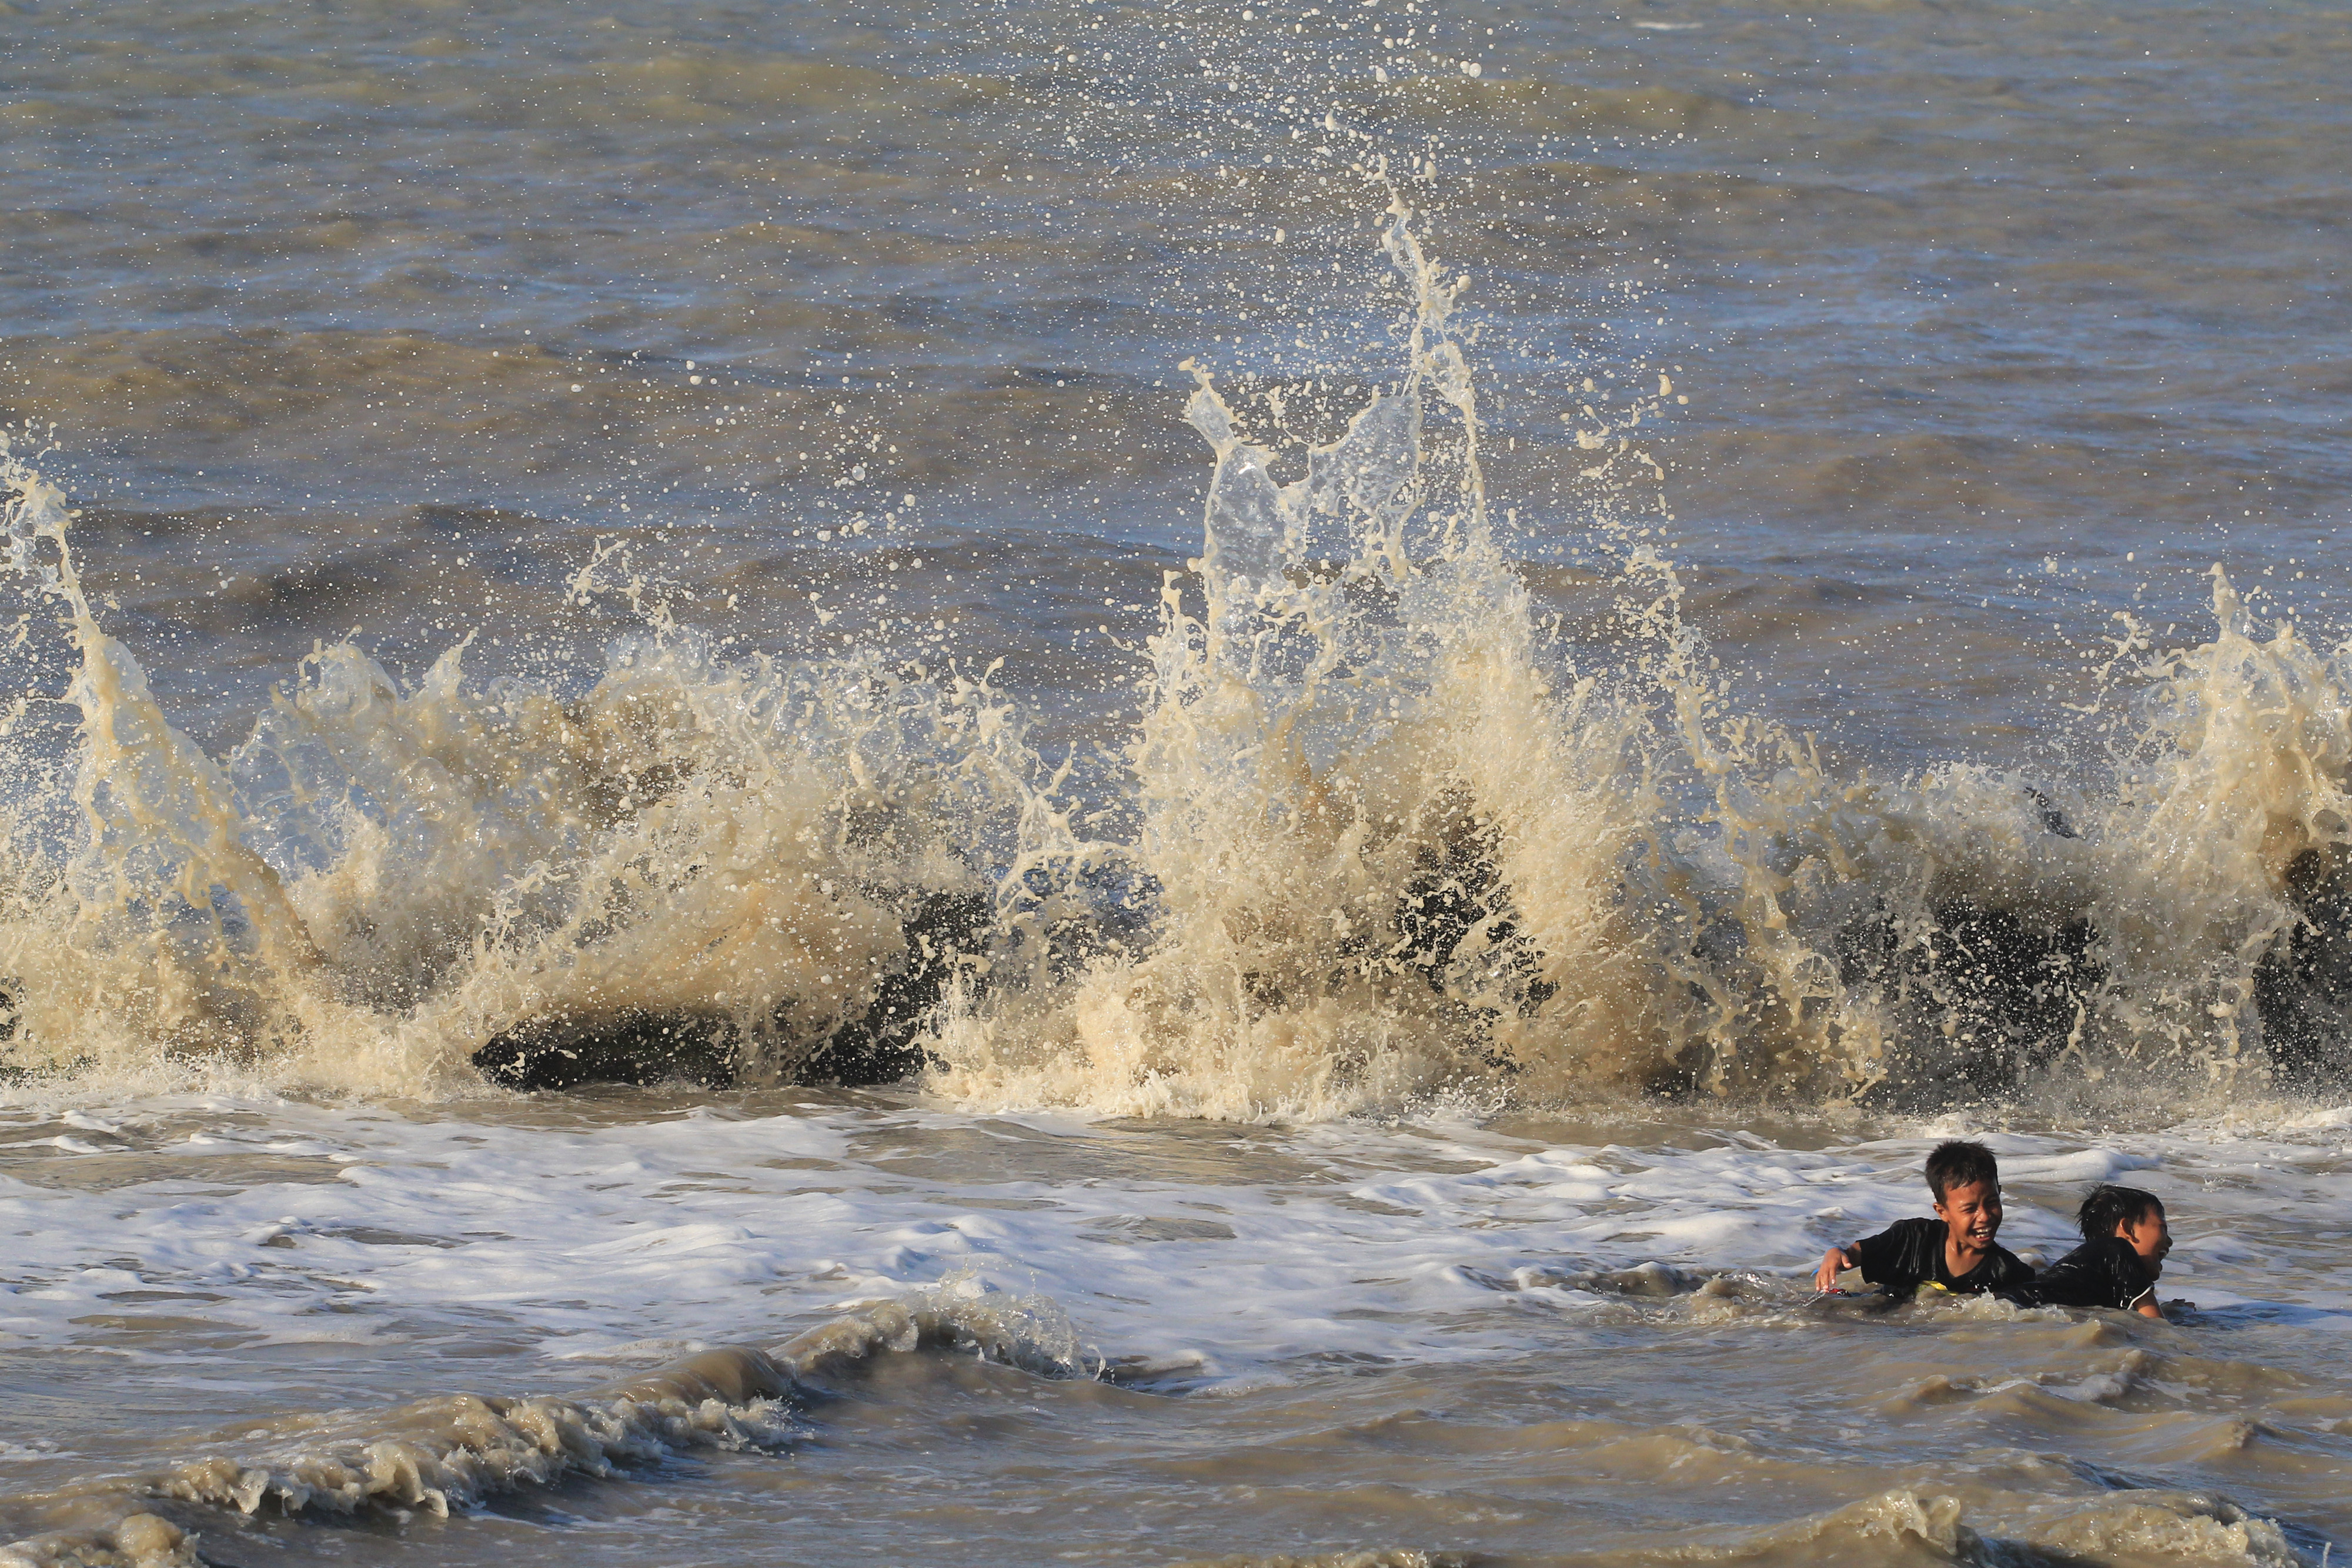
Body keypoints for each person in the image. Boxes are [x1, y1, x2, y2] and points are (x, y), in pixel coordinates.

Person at [1812, 1139, 2033, 1299]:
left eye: (1992, 1202)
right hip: (1882, 1312)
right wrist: (1835, 1253)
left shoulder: (2007, 1270)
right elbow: (1851, 1256)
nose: (1984, 1216)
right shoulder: (1913, 1238)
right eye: (1970, 1209)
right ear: (1942, 1211)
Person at [2002, 1185, 2172, 1319]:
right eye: (2163, 1228)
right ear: (2128, 1229)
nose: (2169, 1241)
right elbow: (2158, 1329)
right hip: (2019, 1305)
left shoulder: (2094, 1273)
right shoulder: (2120, 1249)